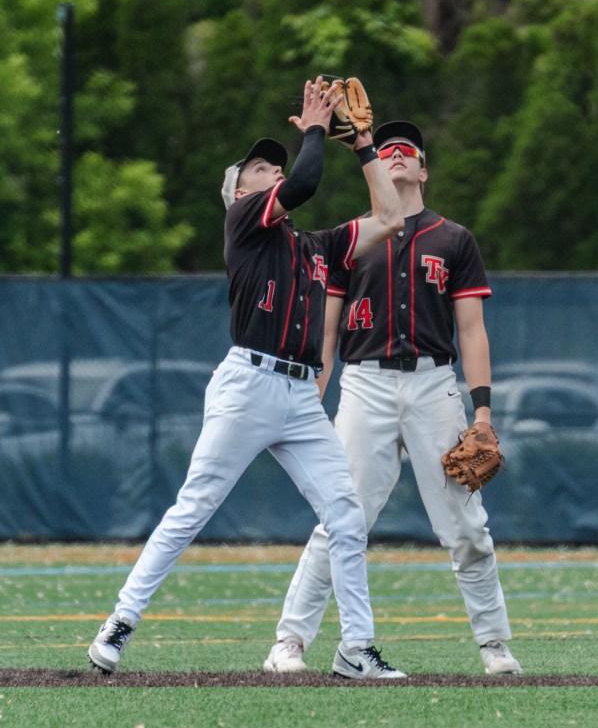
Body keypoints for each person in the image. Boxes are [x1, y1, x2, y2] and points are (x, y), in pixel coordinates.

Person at [88, 77, 407, 680]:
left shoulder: (315, 246)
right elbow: (306, 182)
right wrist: (315, 127)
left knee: (345, 513)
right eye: (260, 167)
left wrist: (364, 144)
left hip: (300, 394)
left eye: (272, 166)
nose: (271, 171)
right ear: (238, 191)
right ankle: (120, 622)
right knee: (194, 507)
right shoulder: (243, 224)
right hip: (249, 384)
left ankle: (356, 648)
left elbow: (389, 215)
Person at [263, 120, 523, 677]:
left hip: (434, 383)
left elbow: (472, 331)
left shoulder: (455, 239)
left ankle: (494, 644)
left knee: (465, 524)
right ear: (373, 169)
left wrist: (480, 410)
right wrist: (312, 398)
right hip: (364, 383)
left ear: (424, 171)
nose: (398, 153)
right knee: (340, 518)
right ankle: (290, 642)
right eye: (387, 149)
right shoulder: (351, 238)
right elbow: (327, 334)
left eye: (409, 150)